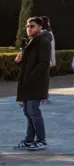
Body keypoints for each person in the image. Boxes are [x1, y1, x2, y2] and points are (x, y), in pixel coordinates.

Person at [14, 16, 52, 150]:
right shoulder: (32, 41)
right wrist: (18, 61)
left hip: (35, 82)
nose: (29, 29)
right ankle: (29, 140)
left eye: (32, 26)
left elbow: (44, 63)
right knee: (27, 111)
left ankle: (41, 139)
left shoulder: (43, 41)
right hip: (27, 82)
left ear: (40, 27)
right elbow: (28, 63)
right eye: (27, 26)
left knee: (33, 111)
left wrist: (31, 76)